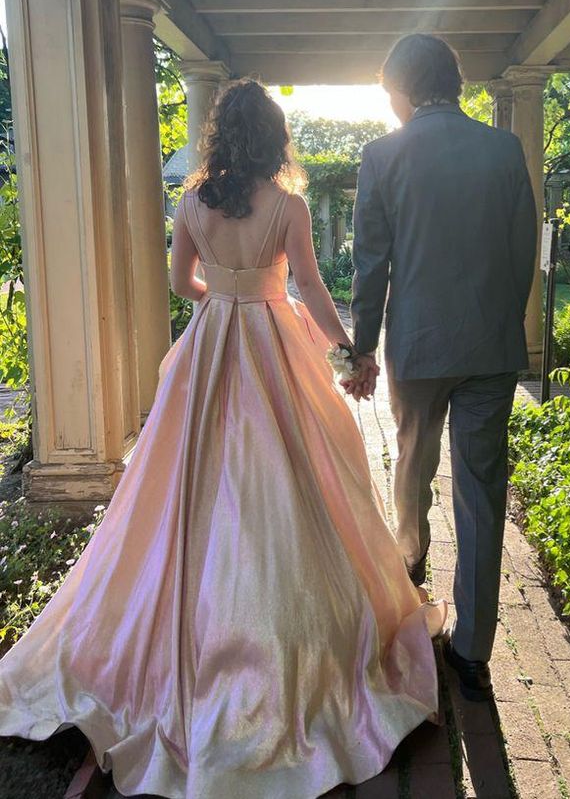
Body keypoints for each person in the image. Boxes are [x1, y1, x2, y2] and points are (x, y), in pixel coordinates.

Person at [0, 80, 445, 799]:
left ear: (216, 137)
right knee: (297, 477)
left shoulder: (191, 202)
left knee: (191, 481)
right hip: (275, 341)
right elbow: (308, 282)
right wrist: (343, 347)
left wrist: (227, 297)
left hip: (211, 348)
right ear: (275, 137)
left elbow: (183, 283)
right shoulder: (289, 206)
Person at [346, 34, 537, 702]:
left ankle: (411, 560)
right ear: (452, 84)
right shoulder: (504, 148)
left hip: (420, 346)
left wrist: (361, 344)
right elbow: (523, 250)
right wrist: (501, 319)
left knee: (413, 460)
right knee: (482, 492)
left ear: (401, 88)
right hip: (491, 345)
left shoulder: (383, 155)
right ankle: (474, 651)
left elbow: (372, 263)